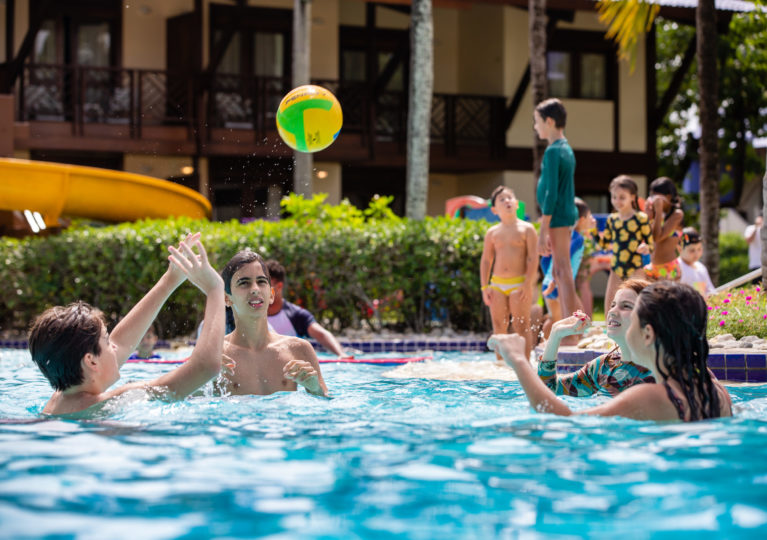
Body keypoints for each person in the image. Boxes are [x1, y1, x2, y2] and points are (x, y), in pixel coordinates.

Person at [28, 234, 226, 416]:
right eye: (107, 342)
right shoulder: (109, 403)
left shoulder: (60, 399)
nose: (115, 345)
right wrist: (215, 289)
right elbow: (205, 367)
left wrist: (170, 280)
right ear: (91, 361)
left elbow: (122, 342)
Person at [489, 281, 732, 421]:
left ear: (647, 334)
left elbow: (567, 421)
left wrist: (519, 360)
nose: (613, 313)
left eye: (631, 313)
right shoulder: (715, 391)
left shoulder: (649, 396)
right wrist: (555, 338)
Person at [218, 250, 329, 397]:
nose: (255, 289)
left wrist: (314, 388)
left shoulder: (299, 350)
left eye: (261, 282)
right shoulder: (216, 355)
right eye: (244, 283)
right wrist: (204, 380)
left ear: (271, 294)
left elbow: (326, 407)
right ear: (227, 298)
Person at [537, 279, 655, 397]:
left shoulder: (657, 374)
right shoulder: (604, 366)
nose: (612, 312)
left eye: (626, 306)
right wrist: (556, 334)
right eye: (613, 305)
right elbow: (548, 390)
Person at [533, 98, 583, 323]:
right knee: (559, 272)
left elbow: (550, 193)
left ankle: (573, 328)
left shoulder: (553, 151)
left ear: (549, 121)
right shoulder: (566, 148)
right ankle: (571, 324)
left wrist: (544, 227)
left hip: (558, 216)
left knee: (562, 271)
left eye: (537, 122)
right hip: (564, 214)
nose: (536, 127)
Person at [480, 186, 538, 357]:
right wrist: (485, 287)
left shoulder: (527, 229)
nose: (507, 201)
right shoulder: (492, 232)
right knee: (499, 326)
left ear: (517, 204)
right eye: (502, 199)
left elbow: (533, 258)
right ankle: (500, 364)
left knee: (521, 325)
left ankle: (525, 363)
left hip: (519, 283)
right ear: (494, 209)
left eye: (509, 198)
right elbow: (486, 260)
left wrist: (528, 284)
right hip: (497, 284)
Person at [265, 259, 349, 358]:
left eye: (265, 283)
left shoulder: (296, 315)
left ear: (279, 286)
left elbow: (322, 334)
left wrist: (341, 354)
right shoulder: (250, 313)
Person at [601, 175, 653, 314]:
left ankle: (640, 328)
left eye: (622, 197)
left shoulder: (641, 218)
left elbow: (650, 244)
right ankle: (609, 332)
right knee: (610, 303)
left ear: (632, 197)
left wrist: (646, 248)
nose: (617, 201)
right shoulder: (611, 220)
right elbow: (604, 244)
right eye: (614, 197)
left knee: (638, 302)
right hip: (616, 267)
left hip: (636, 266)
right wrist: (593, 231)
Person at [644, 177, 684, 281]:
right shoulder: (656, 215)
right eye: (652, 196)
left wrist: (658, 213)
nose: (654, 200)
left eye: (657, 197)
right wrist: (648, 217)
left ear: (669, 197)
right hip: (653, 267)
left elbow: (658, 238)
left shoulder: (677, 215)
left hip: (669, 269)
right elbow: (648, 238)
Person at [678, 227, 715, 297]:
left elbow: (709, 290)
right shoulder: (676, 268)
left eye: (699, 249)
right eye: (692, 250)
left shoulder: (701, 268)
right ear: (679, 249)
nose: (696, 254)